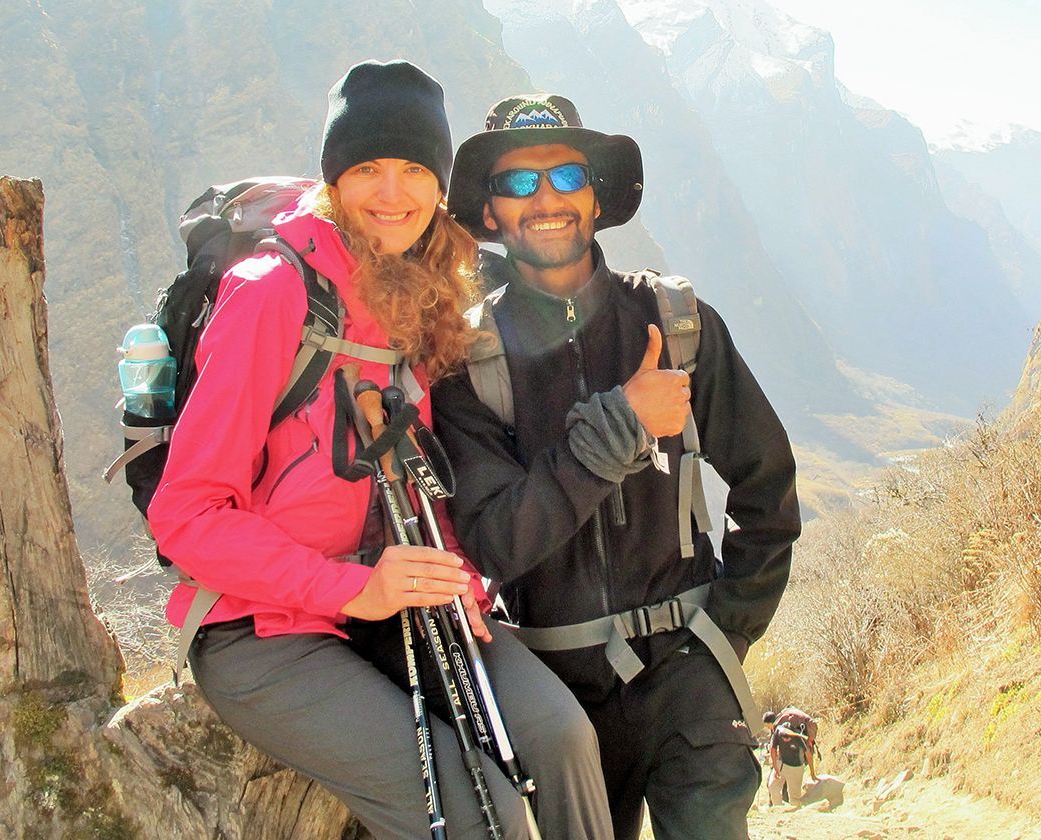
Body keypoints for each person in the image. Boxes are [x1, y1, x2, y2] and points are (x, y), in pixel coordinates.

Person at [147, 63, 612, 839]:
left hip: (389, 601)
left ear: (440, 186)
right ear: (334, 179)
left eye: (413, 170)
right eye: (366, 168)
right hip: (261, 630)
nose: (391, 193)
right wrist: (347, 588)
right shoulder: (272, 293)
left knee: (561, 739)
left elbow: (415, 474)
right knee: (480, 817)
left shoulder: (416, 293)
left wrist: (454, 572)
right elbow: (186, 514)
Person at [432, 93, 802, 840]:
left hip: (690, 679)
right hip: (559, 698)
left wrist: (725, 634)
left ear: (597, 198)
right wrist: (620, 427)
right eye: (517, 183)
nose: (546, 200)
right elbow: (494, 540)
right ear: (493, 213)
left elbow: (767, 485)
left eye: (567, 176)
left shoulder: (675, 321)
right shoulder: (467, 364)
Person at [764, 708, 819, 806]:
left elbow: (808, 755)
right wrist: (776, 767)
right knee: (773, 786)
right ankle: (779, 807)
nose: (785, 739)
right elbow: (773, 750)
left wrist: (813, 773)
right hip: (784, 763)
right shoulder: (778, 731)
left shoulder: (798, 738)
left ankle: (792, 805)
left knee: (794, 796)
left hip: (796, 765)